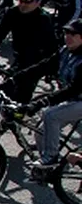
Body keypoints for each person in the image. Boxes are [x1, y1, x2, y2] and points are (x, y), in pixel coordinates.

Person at [0, 0, 57, 102]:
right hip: (20, 55)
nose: (23, 5)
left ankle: (18, 116)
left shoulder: (43, 19)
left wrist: (50, 69)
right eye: (21, 0)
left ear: (37, 3)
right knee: (6, 89)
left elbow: (51, 46)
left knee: (21, 92)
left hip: (37, 59)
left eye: (28, 2)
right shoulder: (13, 12)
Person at [30, 18, 82, 177]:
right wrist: (15, 79)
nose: (68, 36)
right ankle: (50, 168)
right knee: (40, 131)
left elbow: (73, 89)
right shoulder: (66, 51)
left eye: (73, 33)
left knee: (50, 115)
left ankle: (50, 157)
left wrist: (44, 101)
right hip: (74, 99)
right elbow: (44, 65)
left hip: (79, 99)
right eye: (66, 32)